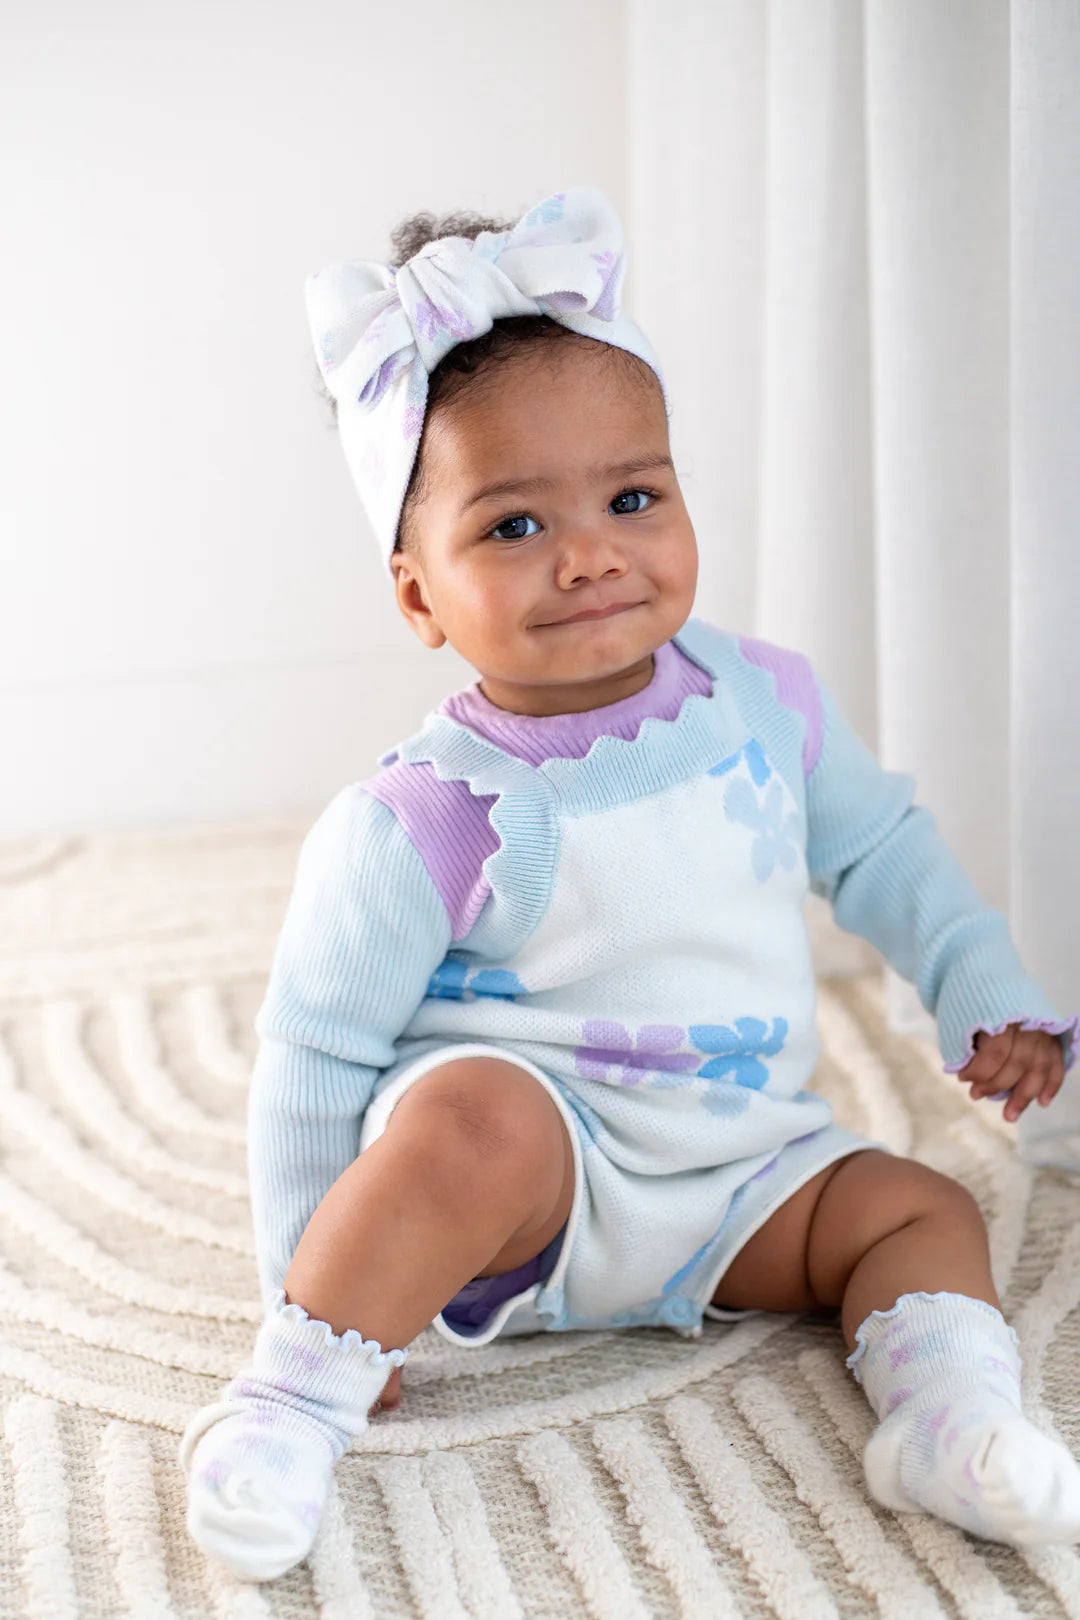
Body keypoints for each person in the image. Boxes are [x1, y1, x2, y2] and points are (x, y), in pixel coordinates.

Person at [180, 188, 1080, 1582]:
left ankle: (949, 1415)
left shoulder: (766, 700)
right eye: (513, 527)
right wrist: (318, 1302)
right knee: (471, 1116)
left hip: (739, 1170)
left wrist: (986, 992)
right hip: (528, 1191)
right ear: (417, 594)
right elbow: (315, 1047)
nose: (591, 550)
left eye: (634, 497)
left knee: (921, 1207)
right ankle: (287, 1411)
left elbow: (886, 853)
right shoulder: (427, 813)